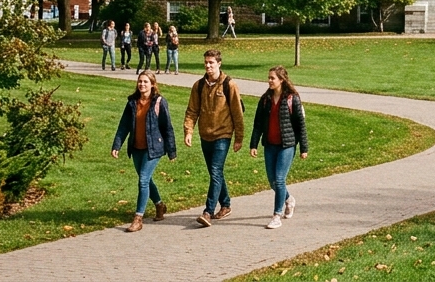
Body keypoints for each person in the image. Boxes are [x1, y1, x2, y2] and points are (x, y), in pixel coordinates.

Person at [184, 49, 246, 227]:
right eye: (206, 62)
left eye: (211, 62)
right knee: (214, 172)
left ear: (219, 63)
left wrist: (239, 138)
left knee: (216, 170)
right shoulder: (199, 86)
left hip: (223, 134)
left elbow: (237, 113)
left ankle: (208, 211)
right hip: (205, 135)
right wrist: (189, 131)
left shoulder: (229, 85)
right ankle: (225, 204)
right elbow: (192, 110)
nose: (208, 66)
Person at [110, 70, 176, 232]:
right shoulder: (132, 102)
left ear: (152, 84)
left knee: (143, 180)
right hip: (137, 147)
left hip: (154, 148)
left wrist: (171, 151)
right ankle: (160, 205)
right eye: (140, 81)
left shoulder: (159, 102)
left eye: (145, 82)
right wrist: (116, 145)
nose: (142, 84)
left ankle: (138, 218)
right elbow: (123, 125)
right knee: (145, 179)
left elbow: (167, 127)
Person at [249, 66, 309, 230]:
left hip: (286, 146)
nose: (269, 81)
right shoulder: (265, 99)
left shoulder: (292, 99)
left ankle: (277, 215)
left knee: (280, 179)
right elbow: (258, 124)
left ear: (281, 80)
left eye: (272, 78)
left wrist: (304, 148)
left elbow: (300, 126)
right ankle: (289, 199)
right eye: (268, 78)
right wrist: (253, 144)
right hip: (270, 145)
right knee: (272, 181)